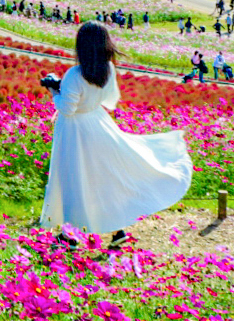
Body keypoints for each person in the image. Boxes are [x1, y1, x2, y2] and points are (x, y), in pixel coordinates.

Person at [39, 22, 192, 246]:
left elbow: (67, 109)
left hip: (75, 133)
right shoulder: (107, 69)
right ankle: (118, 230)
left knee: (75, 179)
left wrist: (53, 89)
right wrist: (71, 91)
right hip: (99, 125)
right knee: (104, 177)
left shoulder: (74, 74)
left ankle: (69, 236)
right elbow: (109, 101)